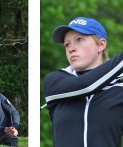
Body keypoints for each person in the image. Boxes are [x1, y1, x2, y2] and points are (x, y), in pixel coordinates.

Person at [43, 17, 123, 147]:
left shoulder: (119, 90)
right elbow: (86, 86)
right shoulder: (54, 81)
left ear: (101, 45)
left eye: (79, 40)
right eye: (67, 44)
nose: (71, 49)